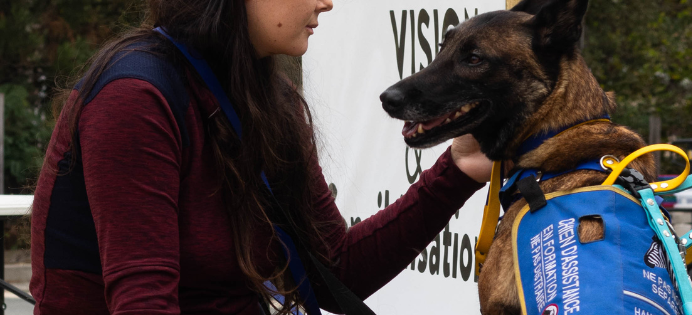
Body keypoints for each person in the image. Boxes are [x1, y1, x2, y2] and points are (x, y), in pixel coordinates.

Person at [28, 0, 491, 314]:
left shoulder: (269, 98)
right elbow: (144, 302)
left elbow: (337, 267)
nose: (326, 2)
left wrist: (461, 168)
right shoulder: (135, 95)